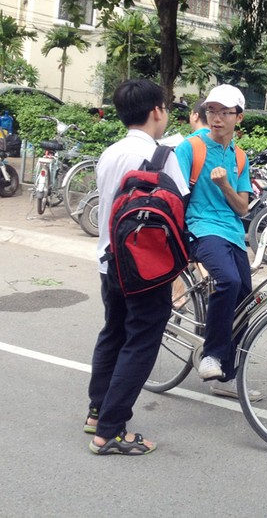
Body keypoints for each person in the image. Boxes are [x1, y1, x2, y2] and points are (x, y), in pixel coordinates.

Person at [86, 79, 189, 455]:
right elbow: (180, 207)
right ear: (156, 111)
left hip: (108, 260)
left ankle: (97, 412)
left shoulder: (109, 153)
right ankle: (111, 431)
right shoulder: (164, 157)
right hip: (145, 266)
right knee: (141, 341)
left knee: (113, 333)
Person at [174, 84, 260, 401]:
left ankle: (226, 375)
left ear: (239, 117)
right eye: (212, 110)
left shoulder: (239, 157)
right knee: (228, 280)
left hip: (232, 232)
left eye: (225, 112)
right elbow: (175, 193)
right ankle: (211, 355)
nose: (217, 118)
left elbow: (242, 207)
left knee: (245, 298)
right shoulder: (191, 148)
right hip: (200, 226)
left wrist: (225, 184)